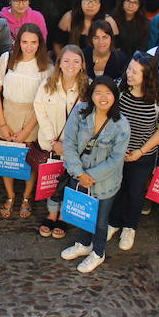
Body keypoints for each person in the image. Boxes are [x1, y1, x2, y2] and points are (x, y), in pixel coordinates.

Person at [57, 76, 132, 274]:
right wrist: (79, 173)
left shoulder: (121, 124)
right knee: (83, 214)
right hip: (79, 175)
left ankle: (98, 252)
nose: (103, 97)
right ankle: (83, 243)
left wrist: (90, 176)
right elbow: (69, 144)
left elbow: (116, 159)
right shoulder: (80, 112)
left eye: (108, 93)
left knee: (100, 221)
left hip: (105, 182)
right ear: (91, 95)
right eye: (98, 92)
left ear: (115, 96)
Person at [106, 52, 159, 251]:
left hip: (142, 155)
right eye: (129, 69)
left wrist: (141, 151)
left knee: (135, 192)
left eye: (135, 72)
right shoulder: (119, 88)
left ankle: (129, 226)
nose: (129, 74)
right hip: (117, 153)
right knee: (115, 189)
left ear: (147, 76)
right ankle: (114, 222)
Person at [33, 46, 90, 238]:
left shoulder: (88, 88)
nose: (70, 65)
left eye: (76, 61)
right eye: (66, 60)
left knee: (70, 180)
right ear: (59, 64)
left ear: (82, 64)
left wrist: (72, 146)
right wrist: (53, 140)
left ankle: (65, 216)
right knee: (52, 179)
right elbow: (39, 109)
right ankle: (51, 213)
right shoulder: (48, 84)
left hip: (75, 148)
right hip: (52, 144)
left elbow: (91, 120)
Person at [0, 24, 48, 220]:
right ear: (17, 42)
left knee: (29, 160)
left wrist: (26, 131)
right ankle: (10, 195)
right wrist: (3, 123)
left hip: (32, 117)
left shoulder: (45, 66)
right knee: (6, 157)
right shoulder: (7, 59)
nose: (29, 46)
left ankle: (26, 197)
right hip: (8, 112)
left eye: (33, 42)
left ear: (39, 43)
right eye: (24, 42)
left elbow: (43, 103)